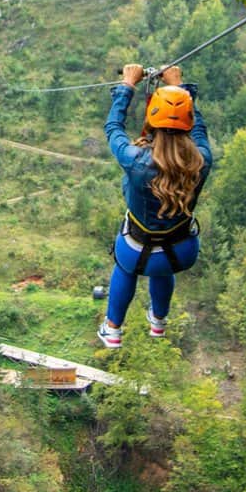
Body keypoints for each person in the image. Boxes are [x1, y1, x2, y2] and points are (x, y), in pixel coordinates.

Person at [99, 63, 213, 348]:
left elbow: (113, 128)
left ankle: (113, 329)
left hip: (136, 250)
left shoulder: (135, 160)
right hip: (182, 250)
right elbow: (198, 128)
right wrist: (179, 88)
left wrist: (127, 85)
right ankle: (158, 322)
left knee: (125, 267)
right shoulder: (201, 161)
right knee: (162, 267)